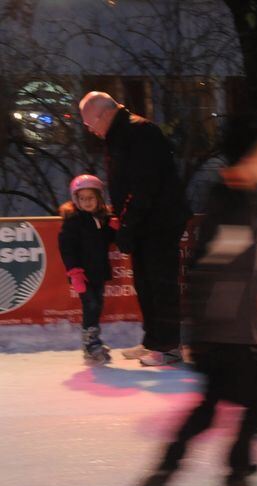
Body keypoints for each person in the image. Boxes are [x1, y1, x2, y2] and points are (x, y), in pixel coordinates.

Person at [132, 116, 257, 486]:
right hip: (228, 332)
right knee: (248, 404)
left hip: (255, 328)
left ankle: (164, 479)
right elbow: (209, 268)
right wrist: (200, 334)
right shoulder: (231, 199)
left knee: (222, 408)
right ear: (253, 155)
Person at [79, 91, 191, 366]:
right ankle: (154, 341)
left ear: (103, 113)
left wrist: (127, 224)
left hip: (159, 222)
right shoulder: (121, 135)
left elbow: (144, 186)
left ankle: (168, 346)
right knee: (144, 282)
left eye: (88, 123)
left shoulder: (139, 132)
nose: (89, 130)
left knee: (160, 282)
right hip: (144, 222)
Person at [58, 174, 117, 363]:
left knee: (97, 305)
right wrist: (74, 271)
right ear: (76, 200)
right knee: (90, 305)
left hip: (98, 272)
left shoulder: (100, 218)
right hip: (82, 274)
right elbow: (66, 247)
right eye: (82, 198)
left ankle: (93, 340)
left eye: (90, 198)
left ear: (98, 198)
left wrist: (112, 229)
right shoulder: (73, 221)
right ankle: (90, 344)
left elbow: (105, 241)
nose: (86, 202)